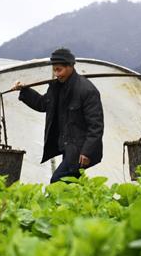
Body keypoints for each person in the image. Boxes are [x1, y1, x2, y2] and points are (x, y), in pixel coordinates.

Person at [12, 48, 104, 183]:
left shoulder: (87, 90)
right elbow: (43, 104)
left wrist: (87, 152)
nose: (56, 74)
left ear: (70, 67)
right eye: (54, 70)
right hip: (66, 146)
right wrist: (25, 91)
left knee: (57, 182)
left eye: (59, 70)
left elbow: (96, 126)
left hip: (79, 150)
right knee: (70, 185)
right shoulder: (56, 87)